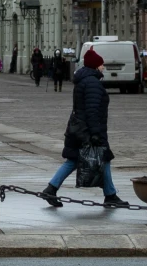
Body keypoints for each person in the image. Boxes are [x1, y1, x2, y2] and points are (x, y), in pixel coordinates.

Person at [41, 48, 122, 208]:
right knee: (95, 158)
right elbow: (92, 111)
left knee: (96, 158)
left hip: (78, 129)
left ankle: (110, 194)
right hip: (87, 131)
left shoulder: (84, 81)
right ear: (95, 66)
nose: (103, 67)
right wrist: (95, 134)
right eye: (101, 64)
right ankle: (51, 189)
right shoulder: (92, 83)